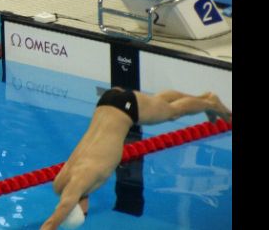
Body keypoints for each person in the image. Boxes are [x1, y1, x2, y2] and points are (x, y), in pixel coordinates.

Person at [40, 87, 232, 230]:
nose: (86, 209)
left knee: (173, 113)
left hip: (126, 110)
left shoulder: (79, 183)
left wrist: (52, 225)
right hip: (108, 102)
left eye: (85, 212)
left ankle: (210, 103)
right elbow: (67, 201)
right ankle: (201, 100)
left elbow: (57, 215)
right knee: (160, 104)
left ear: (79, 206)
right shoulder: (61, 183)